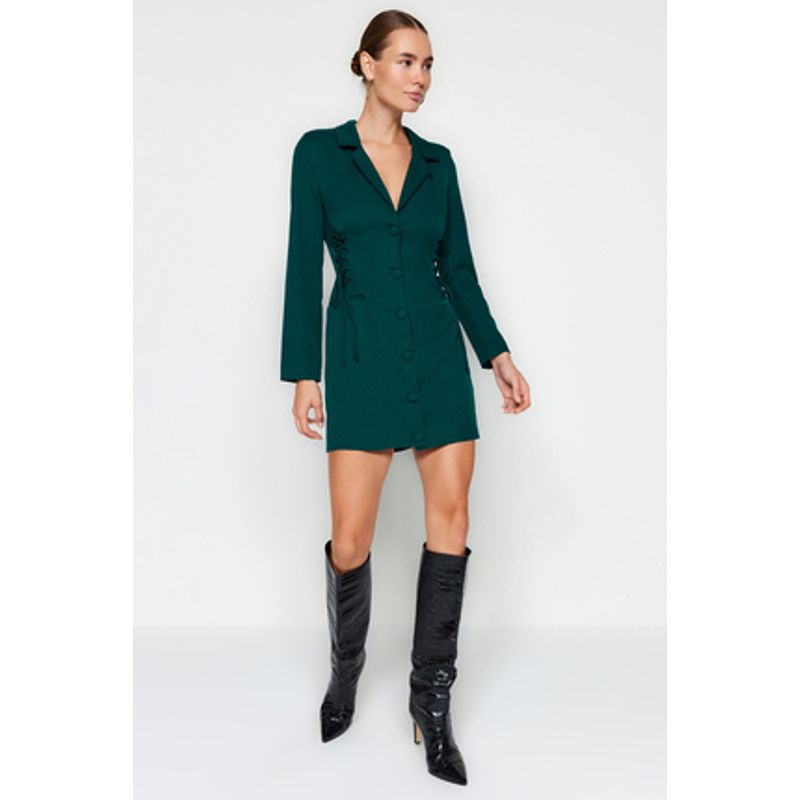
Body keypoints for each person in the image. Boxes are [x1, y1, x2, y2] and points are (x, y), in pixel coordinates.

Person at [279, 10, 531, 787]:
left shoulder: (437, 164)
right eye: (406, 61)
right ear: (367, 64)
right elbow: (302, 265)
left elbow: (458, 269)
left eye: (428, 65)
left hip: (438, 359)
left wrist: (496, 354)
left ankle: (431, 701)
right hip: (361, 360)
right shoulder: (319, 154)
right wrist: (304, 373)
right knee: (350, 540)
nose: (420, 77)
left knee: (451, 522)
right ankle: (346, 671)